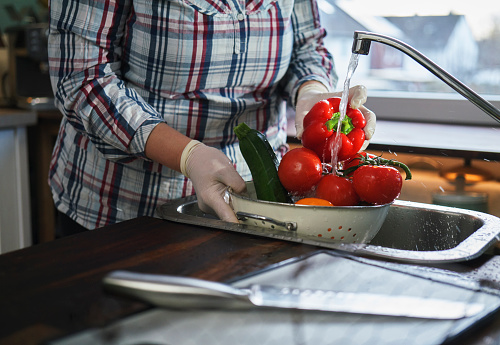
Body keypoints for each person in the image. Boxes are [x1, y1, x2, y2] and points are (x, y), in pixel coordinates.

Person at [47, 0, 375, 235]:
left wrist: (311, 92)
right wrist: (188, 155)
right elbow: (82, 80)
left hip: (256, 205)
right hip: (124, 210)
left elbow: (307, 47)